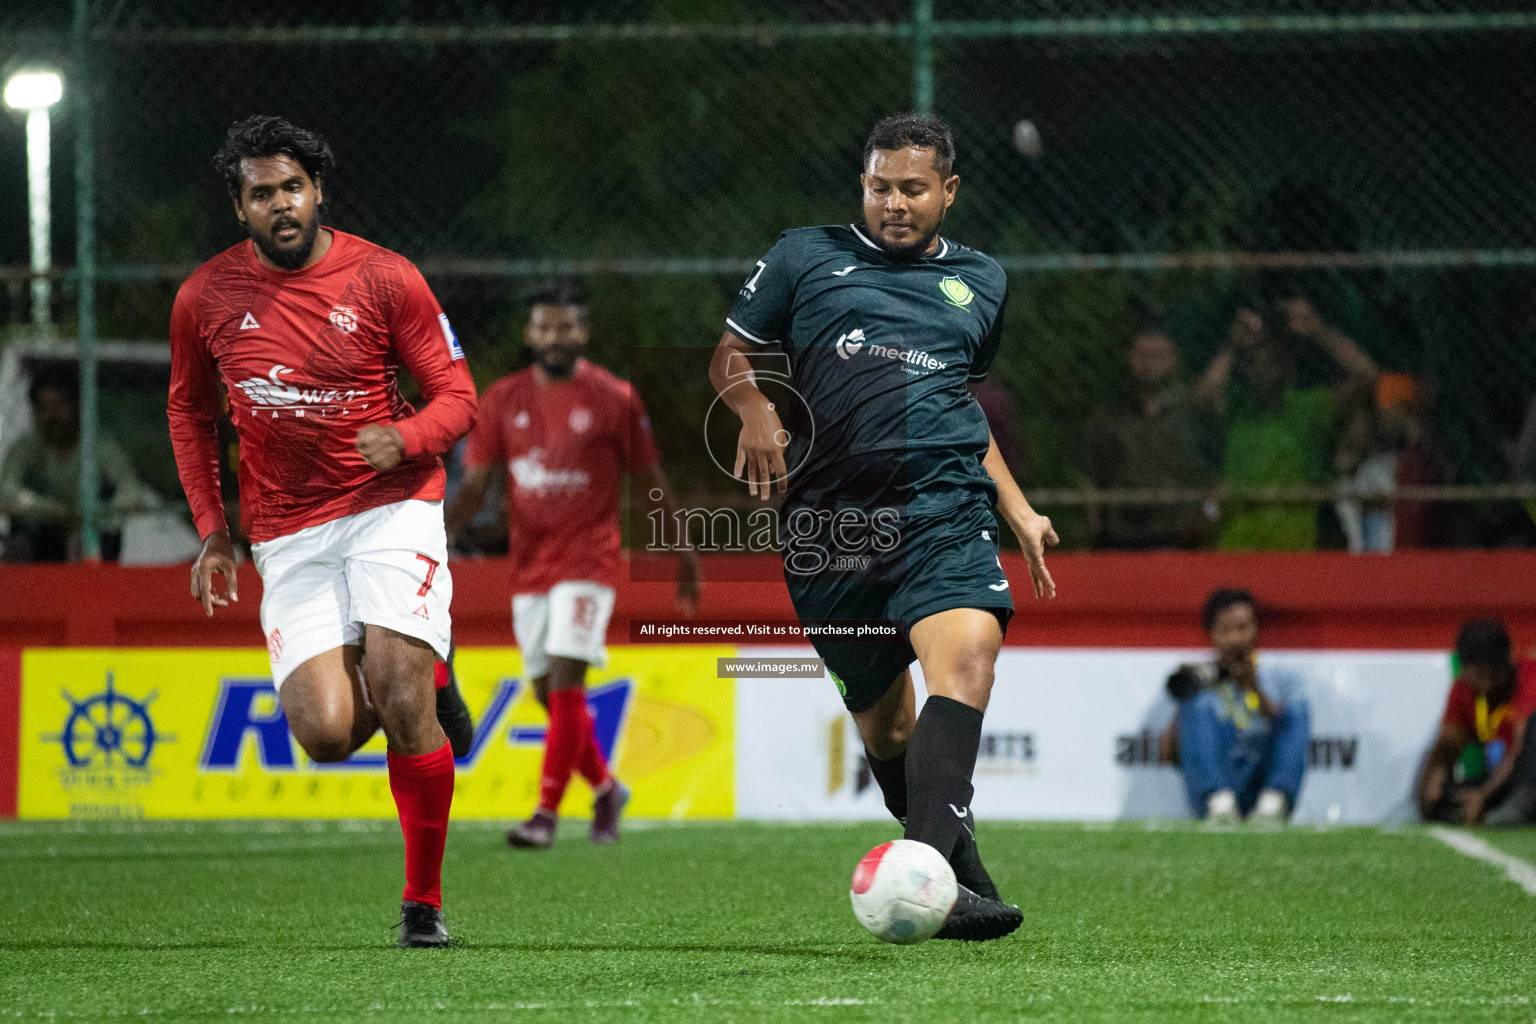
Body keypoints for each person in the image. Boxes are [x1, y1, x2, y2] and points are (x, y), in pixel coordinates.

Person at [707, 113, 1059, 941]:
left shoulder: (982, 282)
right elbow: (730, 353)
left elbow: (957, 404)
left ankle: (926, 872)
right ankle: (956, 864)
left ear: (949, 191)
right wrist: (754, 405)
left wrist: (1013, 501)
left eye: (911, 188)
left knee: (968, 655)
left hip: (942, 512)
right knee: (888, 724)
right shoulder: (804, 256)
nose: (893, 203)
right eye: (878, 187)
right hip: (831, 534)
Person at [167, 116, 478, 947]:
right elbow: (190, 413)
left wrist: (408, 437)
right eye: (261, 193)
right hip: (287, 529)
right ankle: (436, 678)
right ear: (240, 208)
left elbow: (456, 394)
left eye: (292, 187)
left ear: (318, 191)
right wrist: (213, 532)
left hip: (392, 504)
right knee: (326, 734)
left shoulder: (385, 278)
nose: (280, 205)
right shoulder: (204, 297)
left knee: (398, 689)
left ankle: (422, 905)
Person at [447, 278, 700, 850]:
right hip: (529, 567)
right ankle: (607, 789)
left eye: (567, 326)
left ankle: (544, 813)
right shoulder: (502, 399)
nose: (556, 337)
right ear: (529, 332)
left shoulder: (615, 398)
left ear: (583, 331)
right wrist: (433, 543)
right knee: (548, 693)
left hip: (589, 561)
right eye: (545, 326)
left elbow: (649, 482)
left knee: (564, 681)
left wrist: (684, 552)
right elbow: (474, 487)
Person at [1196, 298, 1378, 551]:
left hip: (1292, 543)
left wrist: (1317, 329)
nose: (1263, 371)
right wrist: (1232, 344)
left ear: (1287, 366)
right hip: (1237, 542)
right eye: (1253, 363)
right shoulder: (1237, 410)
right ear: (1245, 369)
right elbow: (1203, 397)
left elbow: (1366, 375)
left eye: (1272, 362)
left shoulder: (1308, 408)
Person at [1161, 588, 1310, 824]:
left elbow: (1291, 739)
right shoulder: (1200, 680)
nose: (1235, 639)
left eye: (1242, 628)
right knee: (1197, 703)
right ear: (1211, 634)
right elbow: (1168, 756)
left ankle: (1274, 803)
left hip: (1264, 788)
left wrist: (1254, 688)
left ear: (1256, 630)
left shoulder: (1282, 679)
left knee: (1295, 710)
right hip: (1219, 791)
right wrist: (1184, 698)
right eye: (1225, 630)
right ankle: (1218, 803)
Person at [0, 365, 158, 561]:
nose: (52, 416)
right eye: (44, 407)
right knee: (22, 537)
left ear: (76, 406)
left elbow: (131, 488)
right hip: (43, 538)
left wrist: (96, 517)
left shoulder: (98, 445)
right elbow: (7, 491)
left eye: (60, 405)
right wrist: (55, 512)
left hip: (90, 536)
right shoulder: (27, 448)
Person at [1083, 327, 1213, 549]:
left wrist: (1208, 518)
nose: (1149, 364)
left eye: (1158, 355)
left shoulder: (1193, 415)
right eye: (1142, 355)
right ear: (1129, 358)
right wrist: (1096, 533)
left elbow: (1212, 479)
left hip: (1179, 536)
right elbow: (1090, 478)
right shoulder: (1109, 416)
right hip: (1122, 538)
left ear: (1174, 360)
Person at [1417, 619, 1536, 827]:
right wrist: (1432, 784)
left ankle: (1521, 804)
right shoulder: (1465, 689)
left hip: (1525, 777)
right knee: (1446, 794)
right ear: (1465, 671)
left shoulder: (1529, 676)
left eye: (1492, 675)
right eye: (1478, 676)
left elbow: (1518, 750)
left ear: (1508, 663)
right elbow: (1448, 743)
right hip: (1498, 778)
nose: (1486, 685)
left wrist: (1483, 794)